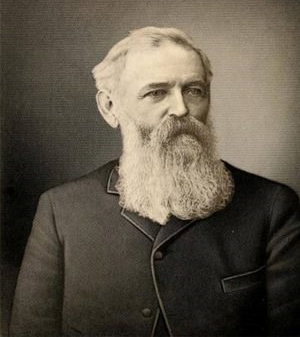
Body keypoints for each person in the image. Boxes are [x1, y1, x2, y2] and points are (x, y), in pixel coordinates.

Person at [10, 27, 300, 336]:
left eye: (194, 90)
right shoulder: (61, 210)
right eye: (156, 92)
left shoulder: (271, 207)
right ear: (109, 107)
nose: (181, 109)